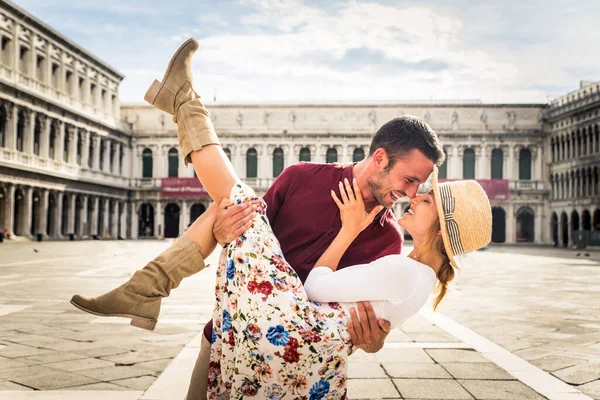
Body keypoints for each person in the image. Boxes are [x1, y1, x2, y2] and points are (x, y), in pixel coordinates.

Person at [71, 39, 492, 398]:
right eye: (409, 179)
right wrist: (222, 230)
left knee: (233, 199)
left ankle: (148, 282)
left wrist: (375, 341)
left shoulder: (386, 241)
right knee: (233, 207)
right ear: (380, 158)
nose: (412, 194)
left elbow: (358, 320)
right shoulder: (302, 177)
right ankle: (147, 285)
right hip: (225, 336)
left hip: (282, 358)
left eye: (420, 188)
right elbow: (246, 235)